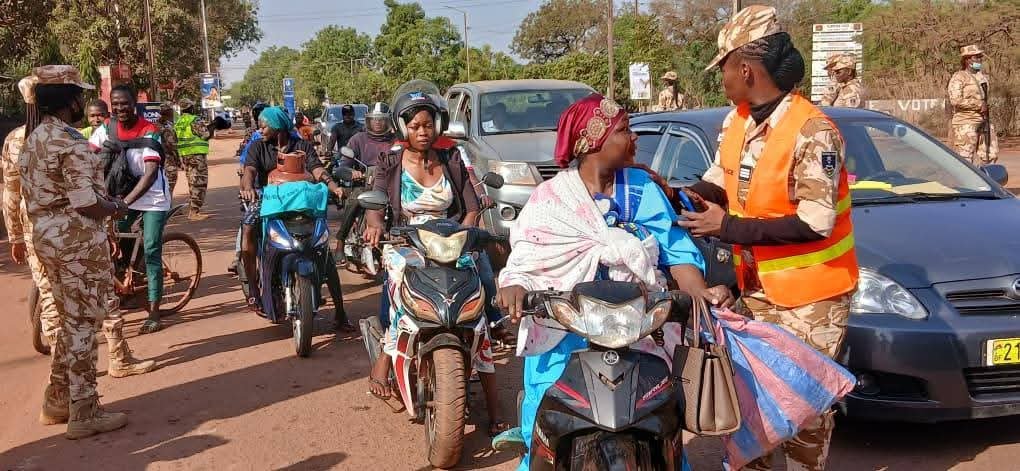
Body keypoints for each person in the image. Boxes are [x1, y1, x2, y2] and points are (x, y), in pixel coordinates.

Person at [490, 93, 732, 467]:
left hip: (639, 330)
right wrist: (516, 286)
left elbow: (676, 250)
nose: (633, 138)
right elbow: (527, 255)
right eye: (624, 130)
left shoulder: (643, 188)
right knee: (543, 426)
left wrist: (699, 294)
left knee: (663, 424)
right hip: (566, 331)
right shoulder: (550, 198)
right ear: (592, 141)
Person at [677, 6, 860, 470]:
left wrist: (727, 228)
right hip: (755, 291)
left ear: (745, 68)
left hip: (812, 297)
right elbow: (720, 179)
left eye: (723, 67)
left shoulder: (813, 132)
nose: (721, 78)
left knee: (803, 409)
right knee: (752, 404)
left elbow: (816, 222)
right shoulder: (736, 121)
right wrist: (679, 195)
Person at [362, 84, 508, 437]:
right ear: (402, 127)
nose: (422, 132)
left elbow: (471, 207)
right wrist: (375, 224)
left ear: (438, 124)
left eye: (428, 125)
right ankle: (384, 360)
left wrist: (467, 234)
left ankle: (494, 392)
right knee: (399, 289)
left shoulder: (452, 158)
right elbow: (376, 202)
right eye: (414, 126)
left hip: (450, 239)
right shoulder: (389, 161)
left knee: (480, 292)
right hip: (406, 240)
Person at [17, 65, 134, 439]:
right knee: (84, 323)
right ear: (68, 100)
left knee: (70, 321)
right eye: (80, 94)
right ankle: (85, 411)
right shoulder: (69, 141)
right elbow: (85, 202)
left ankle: (57, 399)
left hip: (46, 238)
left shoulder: (33, 138)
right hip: (75, 242)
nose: (84, 101)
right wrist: (115, 208)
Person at [239, 106, 353, 331]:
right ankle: (253, 289)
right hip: (267, 201)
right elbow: (249, 171)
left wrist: (333, 186)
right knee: (248, 230)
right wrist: (248, 187)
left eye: (264, 126)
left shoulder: (302, 146)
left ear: (278, 126)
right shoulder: (257, 146)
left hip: (300, 203)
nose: (260, 130)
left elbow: (317, 169)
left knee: (323, 250)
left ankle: (340, 313)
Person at [90, 84, 173, 334]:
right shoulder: (107, 128)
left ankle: (154, 312)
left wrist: (124, 203)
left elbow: (150, 175)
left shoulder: (149, 131)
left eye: (124, 103)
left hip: (153, 197)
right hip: (122, 196)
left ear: (134, 103)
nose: (120, 108)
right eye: (115, 104)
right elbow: (86, 156)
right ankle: (128, 283)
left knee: (151, 248)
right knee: (117, 245)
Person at [334, 101, 395, 261]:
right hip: (365, 185)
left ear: (388, 121)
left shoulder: (396, 141)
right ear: (368, 120)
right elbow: (342, 166)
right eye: (374, 119)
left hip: (390, 186)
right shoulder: (358, 139)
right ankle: (340, 242)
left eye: (381, 119)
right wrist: (353, 172)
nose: (377, 122)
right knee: (355, 200)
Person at [949, 44, 998, 164]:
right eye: (976, 57)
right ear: (967, 59)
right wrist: (978, 104)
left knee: (990, 155)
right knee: (965, 159)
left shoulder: (982, 77)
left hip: (984, 121)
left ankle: (986, 176)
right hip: (965, 122)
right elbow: (955, 100)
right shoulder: (959, 77)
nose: (979, 59)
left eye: (980, 56)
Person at [173, 98, 213, 220]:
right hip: (196, 155)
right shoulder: (194, 120)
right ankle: (194, 212)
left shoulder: (179, 122)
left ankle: (193, 209)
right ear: (190, 108)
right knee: (199, 182)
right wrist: (213, 126)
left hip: (185, 155)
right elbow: (205, 135)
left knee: (192, 182)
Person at [157, 103, 181, 194]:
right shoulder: (164, 128)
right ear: (167, 113)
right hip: (167, 160)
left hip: (162, 160)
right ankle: (167, 201)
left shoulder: (159, 125)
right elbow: (172, 145)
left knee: (165, 185)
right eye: (171, 112)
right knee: (169, 184)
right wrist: (179, 160)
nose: (172, 114)